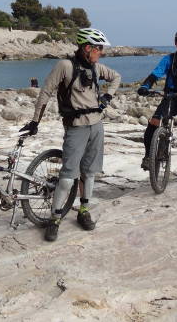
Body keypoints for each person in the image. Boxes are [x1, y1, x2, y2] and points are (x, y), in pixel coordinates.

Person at [20, 28, 121, 242]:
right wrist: (35, 121)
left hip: (97, 126)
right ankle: (54, 219)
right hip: (75, 127)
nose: (101, 52)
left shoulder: (95, 67)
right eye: (98, 48)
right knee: (67, 178)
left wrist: (107, 98)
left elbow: (116, 77)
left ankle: (84, 211)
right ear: (87, 48)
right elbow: (46, 91)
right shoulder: (65, 66)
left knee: (90, 173)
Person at [137, 29, 177, 180]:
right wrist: (145, 86)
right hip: (171, 97)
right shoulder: (169, 59)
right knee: (153, 123)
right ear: (175, 43)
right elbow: (155, 74)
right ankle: (148, 156)